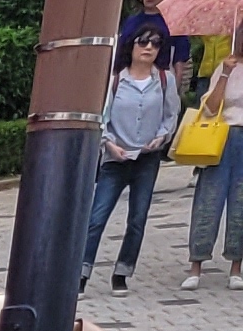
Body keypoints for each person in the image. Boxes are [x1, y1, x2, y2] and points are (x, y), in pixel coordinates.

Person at [87, 26, 183, 288]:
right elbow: (101, 118)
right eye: (143, 42)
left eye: (155, 43)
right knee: (97, 217)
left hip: (147, 158)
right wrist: (109, 144)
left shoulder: (164, 79)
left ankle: (122, 272)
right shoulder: (115, 80)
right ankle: (82, 273)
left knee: (138, 219)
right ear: (131, 45)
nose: (149, 48)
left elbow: (171, 114)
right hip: (115, 158)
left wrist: (161, 137)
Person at [188, 46, 241, 286]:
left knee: (240, 204)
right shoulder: (225, 64)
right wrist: (225, 74)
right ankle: (196, 265)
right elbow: (209, 108)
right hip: (220, 136)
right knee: (208, 199)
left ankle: (236, 267)